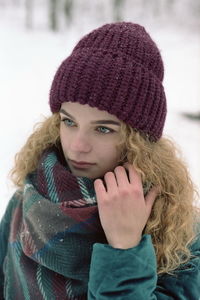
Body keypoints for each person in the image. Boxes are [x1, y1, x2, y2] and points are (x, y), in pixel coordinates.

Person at [0, 22, 200, 300]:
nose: (77, 146)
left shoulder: (180, 233)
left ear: (138, 139)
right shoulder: (25, 203)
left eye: (103, 129)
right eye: (69, 122)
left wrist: (125, 249)